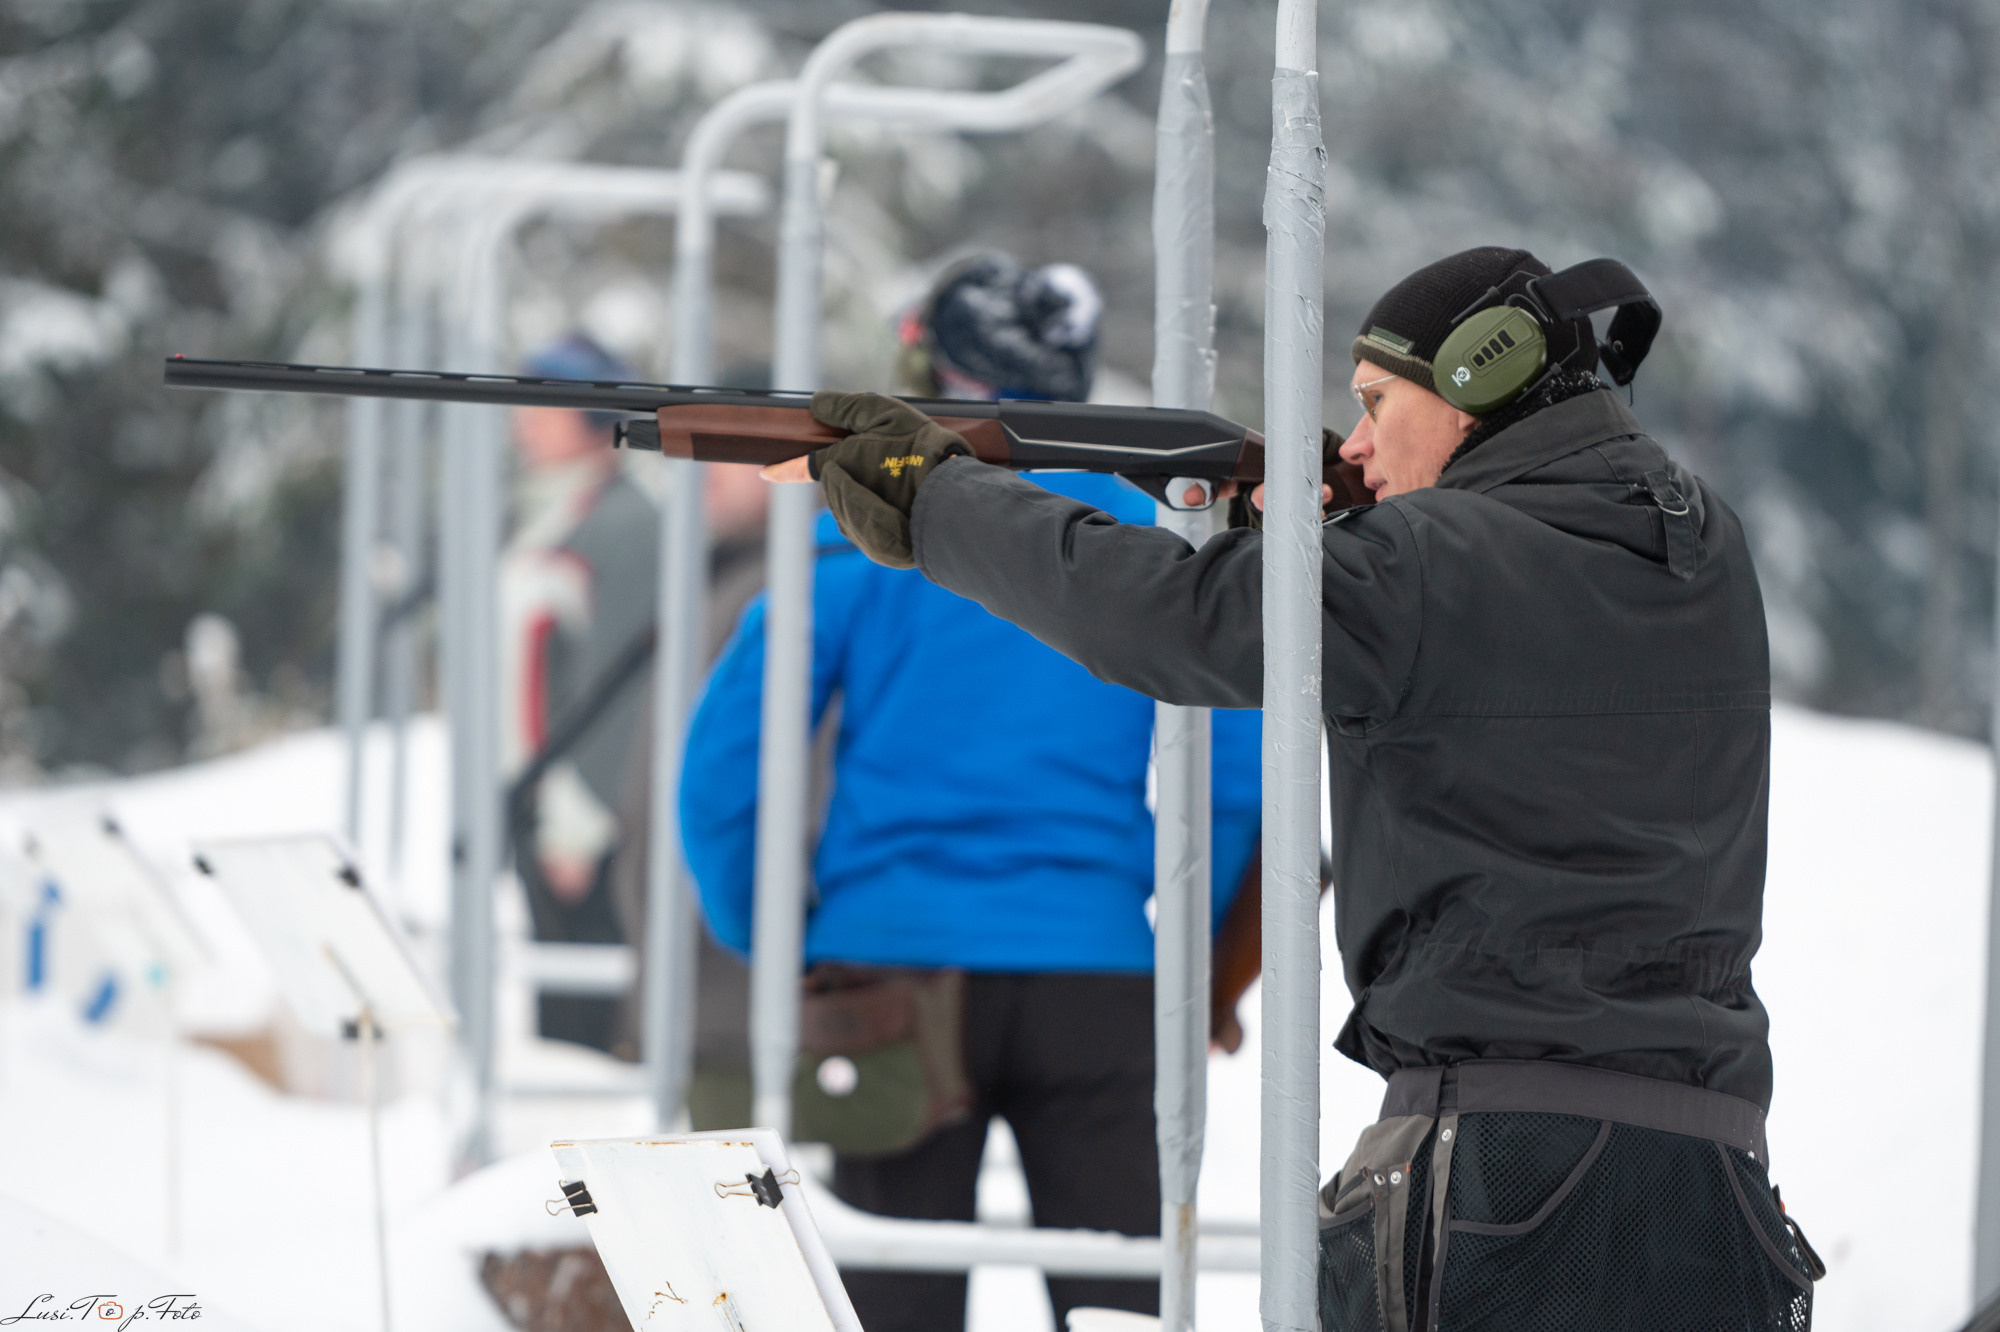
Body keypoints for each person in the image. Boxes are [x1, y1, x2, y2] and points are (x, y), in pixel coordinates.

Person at [778, 247, 1823, 1331]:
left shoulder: (1424, 561)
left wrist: (934, 501)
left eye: (1376, 404)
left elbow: (1171, 622)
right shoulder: (1700, 540)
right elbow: (1504, 648)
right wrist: (1335, 543)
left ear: (1480, 378)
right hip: (1711, 1168)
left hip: (1497, 1171)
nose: (1358, 442)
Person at [679, 253, 1263, 1332]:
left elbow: (723, 773)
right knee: (1121, 1303)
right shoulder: (1152, 535)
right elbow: (1232, 781)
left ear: (931, 371)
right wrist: (1189, 959)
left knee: (891, 1298)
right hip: (1094, 974)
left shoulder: (858, 537)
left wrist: (780, 936)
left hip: (889, 976)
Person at [499, 333, 659, 1055]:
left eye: (545, 404)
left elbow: (622, 691)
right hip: (539, 812)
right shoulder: (553, 515)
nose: (522, 420)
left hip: (582, 833)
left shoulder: (625, 524)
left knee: (589, 1045)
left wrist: (579, 823)